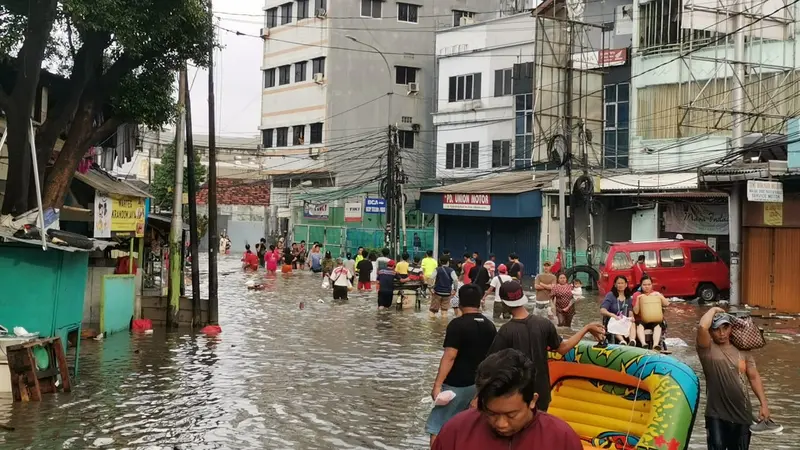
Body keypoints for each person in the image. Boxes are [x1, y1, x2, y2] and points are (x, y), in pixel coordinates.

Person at [488, 280, 605, 412]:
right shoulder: (544, 324)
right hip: (542, 393)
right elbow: (563, 348)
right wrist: (586, 328)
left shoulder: (505, 331)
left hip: (517, 396)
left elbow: (491, 366)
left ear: (503, 302)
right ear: (522, 298)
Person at [432, 349, 583, 450]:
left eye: (511, 415)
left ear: (532, 400)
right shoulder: (456, 431)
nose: (501, 424)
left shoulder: (561, 438)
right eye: (491, 413)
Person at [426, 284, 498, 447]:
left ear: (460, 302)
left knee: (438, 426)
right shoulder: (490, 325)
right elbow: (492, 358)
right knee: (469, 427)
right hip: (479, 386)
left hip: (455, 385)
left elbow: (450, 356)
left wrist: (437, 385)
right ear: (480, 302)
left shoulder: (457, 325)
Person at [698, 307, 779, 449]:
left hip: (743, 415)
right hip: (716, 415)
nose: (722, 333)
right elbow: (702, 326)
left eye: (725, 327)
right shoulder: (707, 349)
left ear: (731, 328)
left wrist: (764, 404)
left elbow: (753, 377)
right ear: (711, 331)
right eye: (717, 329)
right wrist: (714, 309)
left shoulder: (743, 351)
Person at [632, 276, 669, 350]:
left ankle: (655, 345)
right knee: (640, 326)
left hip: (655, 319)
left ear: (652, 285)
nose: (647, 287)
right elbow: (636, 311)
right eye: (644, 285)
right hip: (641, 320)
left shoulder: (656, 294)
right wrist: (638, 299)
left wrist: (660, 296)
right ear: (641, 285)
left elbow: (666, 304)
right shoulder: (637, 295)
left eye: (649, 284)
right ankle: (643, 344)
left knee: (658, 326)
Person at [600, 275, 636, 345]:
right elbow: (602, 310)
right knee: (615, 322)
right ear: (615, 285)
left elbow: (630, 311)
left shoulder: (628, 297)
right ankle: (622, 341)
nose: (620, 285)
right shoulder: (610, 295)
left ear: (626, 285)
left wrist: (631, 317)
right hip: (613, 320)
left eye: (622, 283)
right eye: (618, 283)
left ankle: (632, 341)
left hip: (624, 320)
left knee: (632, 322)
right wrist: (612, 315)